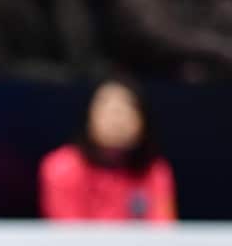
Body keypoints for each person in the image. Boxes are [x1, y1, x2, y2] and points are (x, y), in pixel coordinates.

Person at [39, 75, 175, 221]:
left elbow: (162, 232)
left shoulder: (155, 171)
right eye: (108, 109)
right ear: (89, 117)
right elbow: (67, 232)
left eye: (126, 109)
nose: (116, 120)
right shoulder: (61, 167)